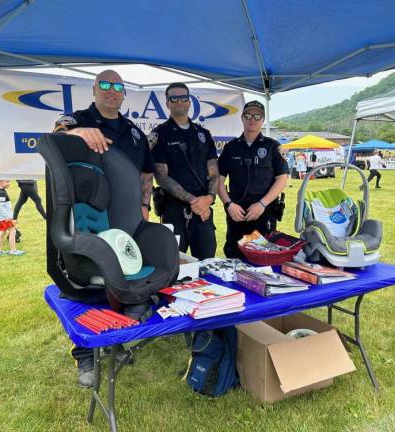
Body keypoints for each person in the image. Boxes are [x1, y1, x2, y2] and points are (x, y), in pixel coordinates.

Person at [53, 69, 155, 387]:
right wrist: (78, 133)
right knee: (87, 281)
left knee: (122, 277)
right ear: (95, 90)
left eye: (118, 87)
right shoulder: (78, 118)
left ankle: (117, 340)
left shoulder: (135, 133)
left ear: (124, 93)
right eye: (106, 85)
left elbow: (146, 174)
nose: (112, 91)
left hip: (126, 218)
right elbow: (54, 136)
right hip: (87, 213)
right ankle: (86, 357)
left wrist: (145, 206)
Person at [150, 82, 219, 260]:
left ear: (190, 102)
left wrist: (209, 198)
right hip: (174, 210)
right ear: (167, 103)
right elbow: (161, 177)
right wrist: (194, 201)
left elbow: (214, 173)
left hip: (204, 211)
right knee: (173, 265)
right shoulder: (160, 134)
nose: (179, 101)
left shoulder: (203, 134)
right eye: (174, 98)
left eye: (184, 97)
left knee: (207, 263)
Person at [218, 100, 289, 259]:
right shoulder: (231, 147)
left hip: (263, 213)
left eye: (257, 116)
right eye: (248, 115)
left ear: (263, 120)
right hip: (237, 213)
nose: (252, 119)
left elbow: (282, 179)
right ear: (242, 118)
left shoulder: (272, 147)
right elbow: (218, 180)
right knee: (234, 256)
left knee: (263, 259)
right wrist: (228, 204)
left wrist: (262, 204)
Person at [0, 179, 25, 256]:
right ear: (0, 182)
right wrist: (8, 216)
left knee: (2, 232)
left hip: (0, 217)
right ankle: (13, 251)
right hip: (5, 218)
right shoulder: (1, 193)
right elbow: (0, 206)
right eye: (7, 182)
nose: (9, 183)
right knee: (13, 231)